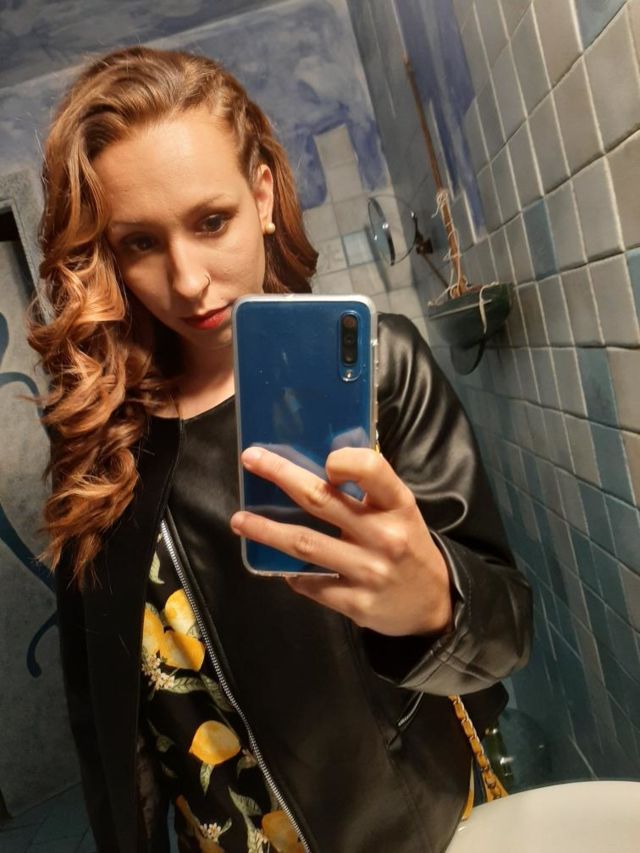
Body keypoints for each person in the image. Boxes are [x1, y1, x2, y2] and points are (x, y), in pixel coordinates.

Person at [29, 46, 532, 853]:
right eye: (141, 243)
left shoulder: (381, 369)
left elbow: (508, 633)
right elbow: (105, 710)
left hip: (405, 831)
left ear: (261, 195)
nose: (188, 281)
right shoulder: (99, 432)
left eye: (211, 221)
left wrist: (434, 602)